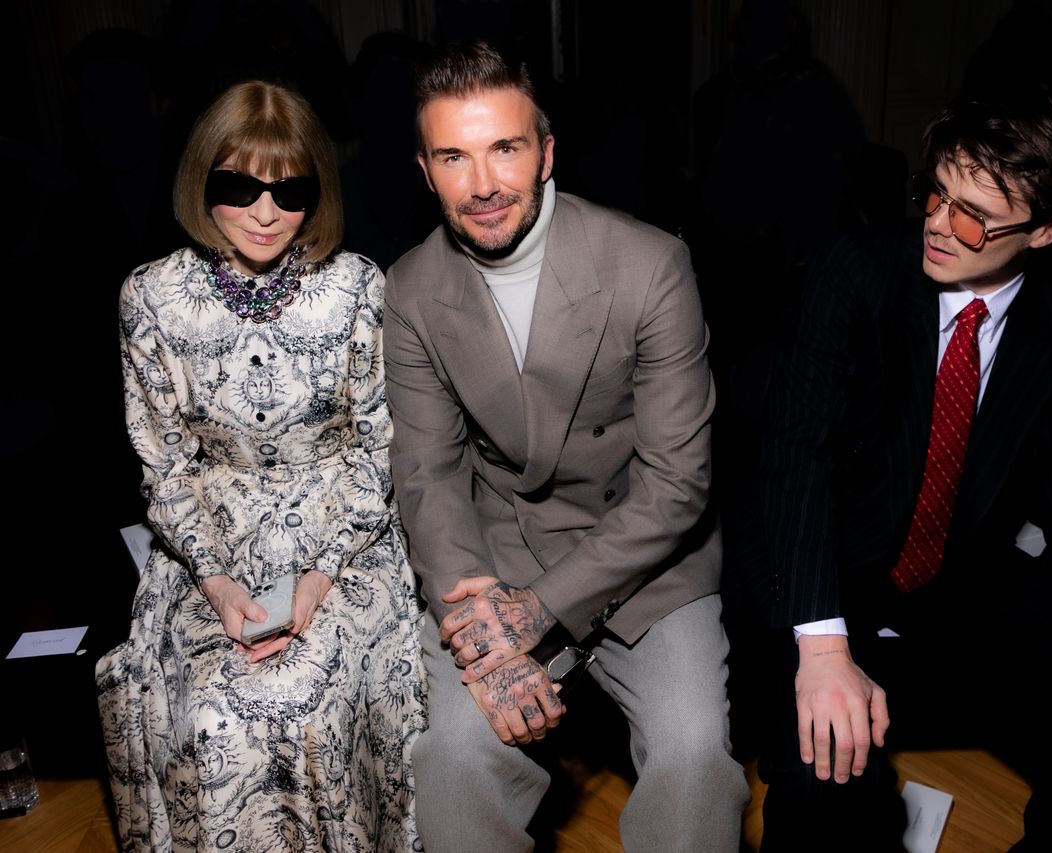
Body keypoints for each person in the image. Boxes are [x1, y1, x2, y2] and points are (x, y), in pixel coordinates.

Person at [754, 86, 1052, 850]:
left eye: (972, 214)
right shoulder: (856, 271)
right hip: (833, 573)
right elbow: (796, 456)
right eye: (936, 192)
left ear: (1047, 230)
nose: (937, 222)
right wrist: (826, 650)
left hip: (963, 576)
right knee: (826, 775)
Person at [383, 42, 750, 853]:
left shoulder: (650, 264)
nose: (481, 185)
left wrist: (535, 613)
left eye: (504, 148)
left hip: (648, 564)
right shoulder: (410, 288)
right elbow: (429, 477)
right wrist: (484, 625)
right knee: (450, 760)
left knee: (693, 757)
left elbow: (677, 485)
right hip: (495, 556)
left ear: (546, 153)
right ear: (424, 168)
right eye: (454, 157)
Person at [95, 80, 427, 852]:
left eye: (290, 188)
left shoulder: (356, 288)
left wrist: (317, 576)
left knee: (310, 700)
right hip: (208, 546)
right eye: (239, 185)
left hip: (346, 541)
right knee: (213, 717)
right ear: (200, 181)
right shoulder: (150, 296)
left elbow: (379, 442)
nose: (266, 210)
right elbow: (163, 462)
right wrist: (215, 579)